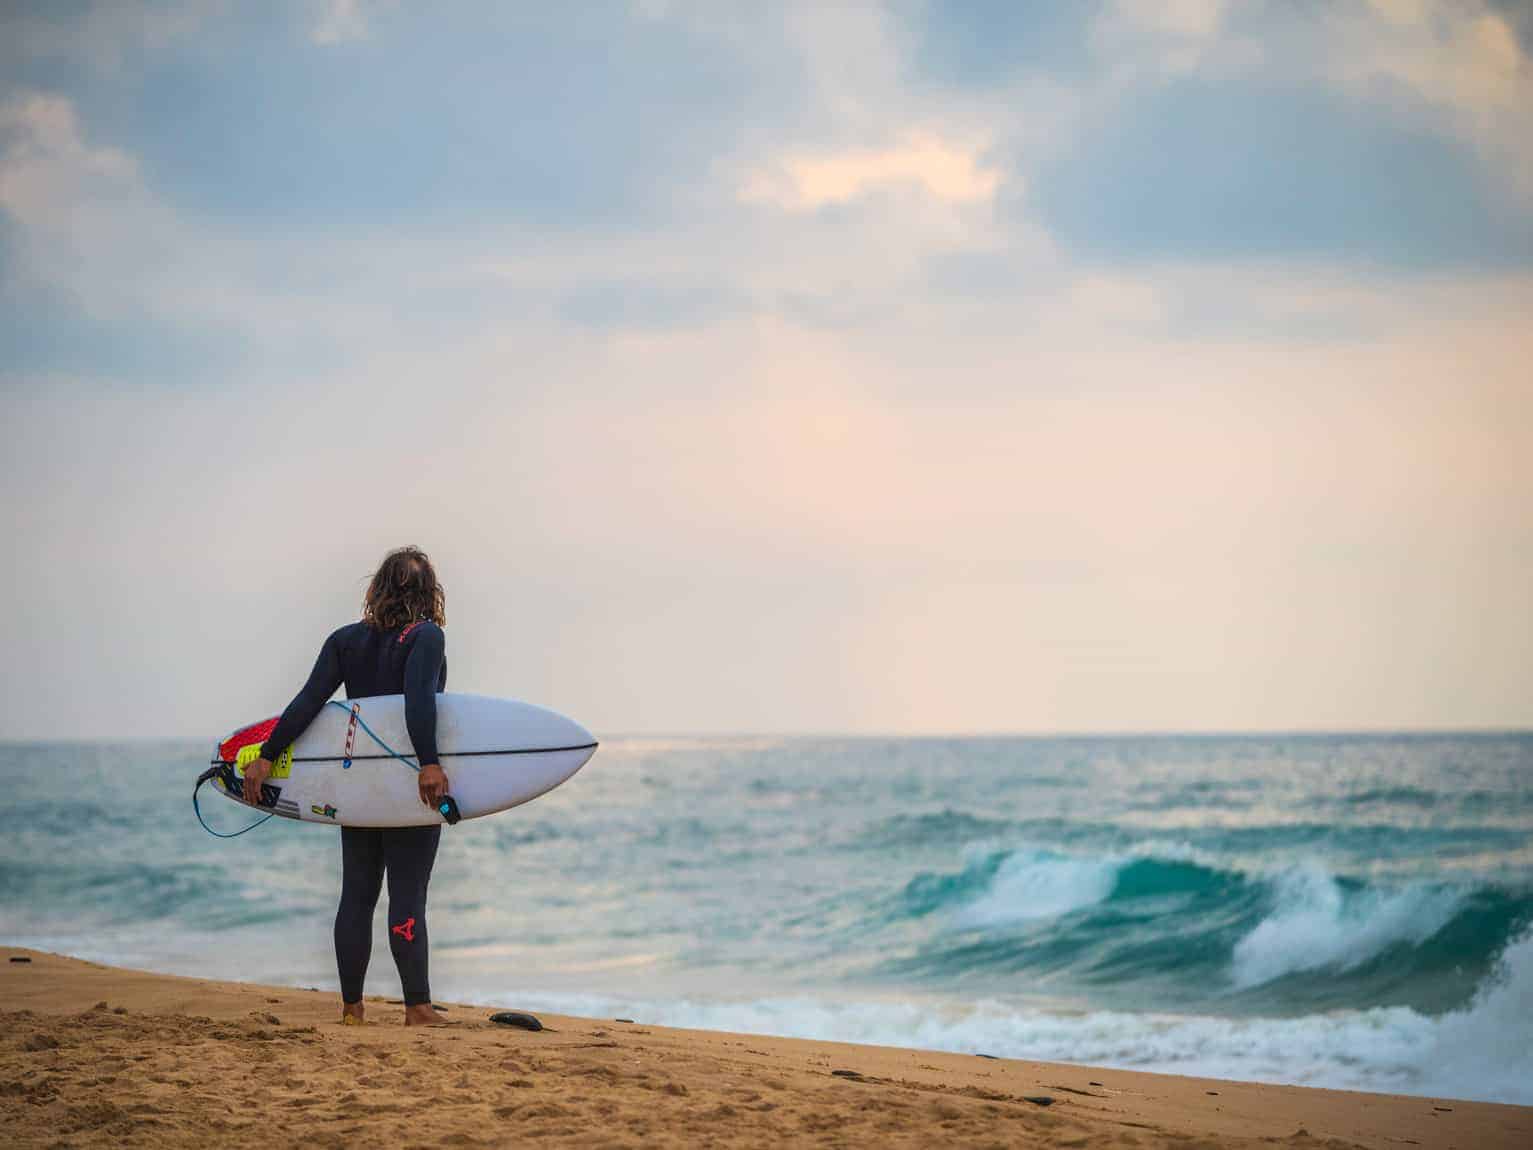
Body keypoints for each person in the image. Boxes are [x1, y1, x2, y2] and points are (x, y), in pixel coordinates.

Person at [241, 546, 451, 1027]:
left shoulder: (345, 641)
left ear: (377, 588)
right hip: (405, 782)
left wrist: (267, 756)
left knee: (356, 893)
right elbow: (417, 702)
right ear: (428, 593)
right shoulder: (427, 637)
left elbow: (309, 701)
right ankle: (417, 1007)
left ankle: (352, 1008)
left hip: (358, 785)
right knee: (407, 893)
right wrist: (430, 763)